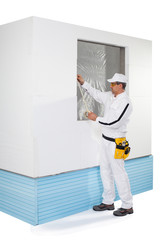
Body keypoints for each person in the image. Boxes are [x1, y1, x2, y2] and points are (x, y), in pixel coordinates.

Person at [77, 73, 133, 216]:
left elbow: (114, 122)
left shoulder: (125, 102)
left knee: (119, 173)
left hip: (116, 143)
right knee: (105, 171)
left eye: (113, 84)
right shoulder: (109, 96)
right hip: (105, 140)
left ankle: (127, 205)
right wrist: (83, 83)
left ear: (120, 85)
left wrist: (96, 118)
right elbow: (96, 94)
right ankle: (108, 202)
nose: (110, 86)